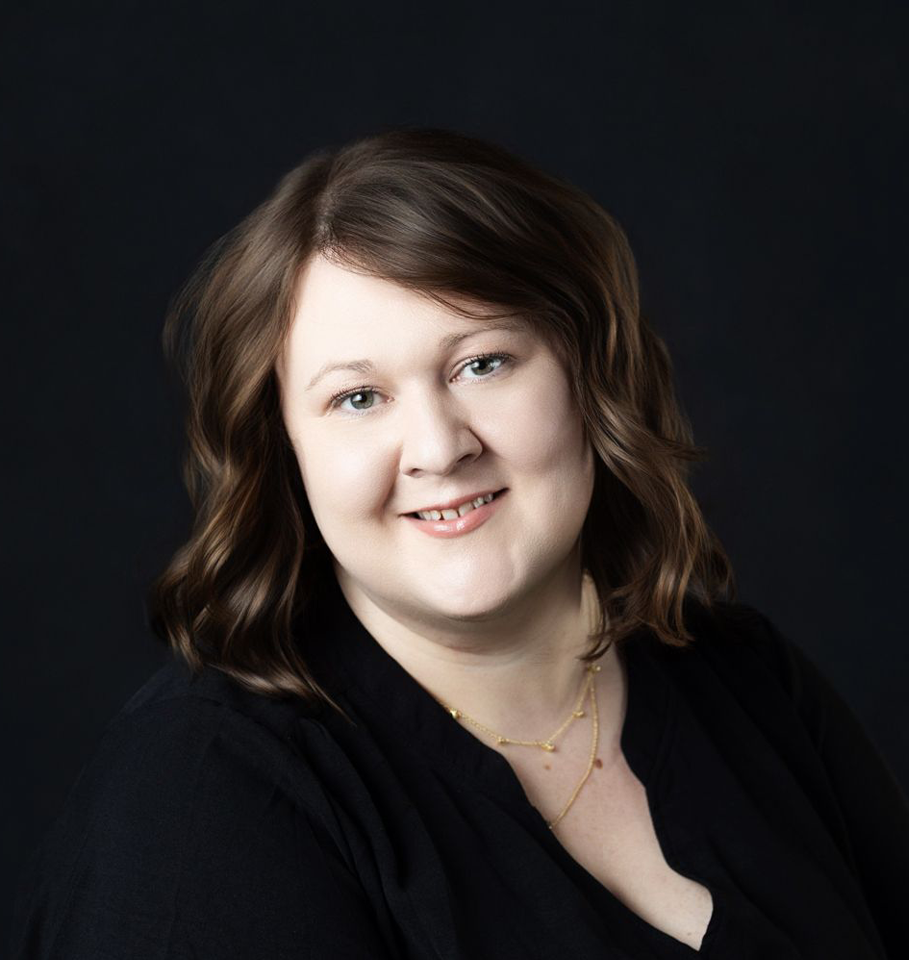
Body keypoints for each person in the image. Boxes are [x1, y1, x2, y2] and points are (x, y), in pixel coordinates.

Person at [9, 127, 908, 960]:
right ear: (284, 453)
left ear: (591, 374)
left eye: (482, 363)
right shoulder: (201, 806)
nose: (440, 448)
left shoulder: (747, 680)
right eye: (357, 398)